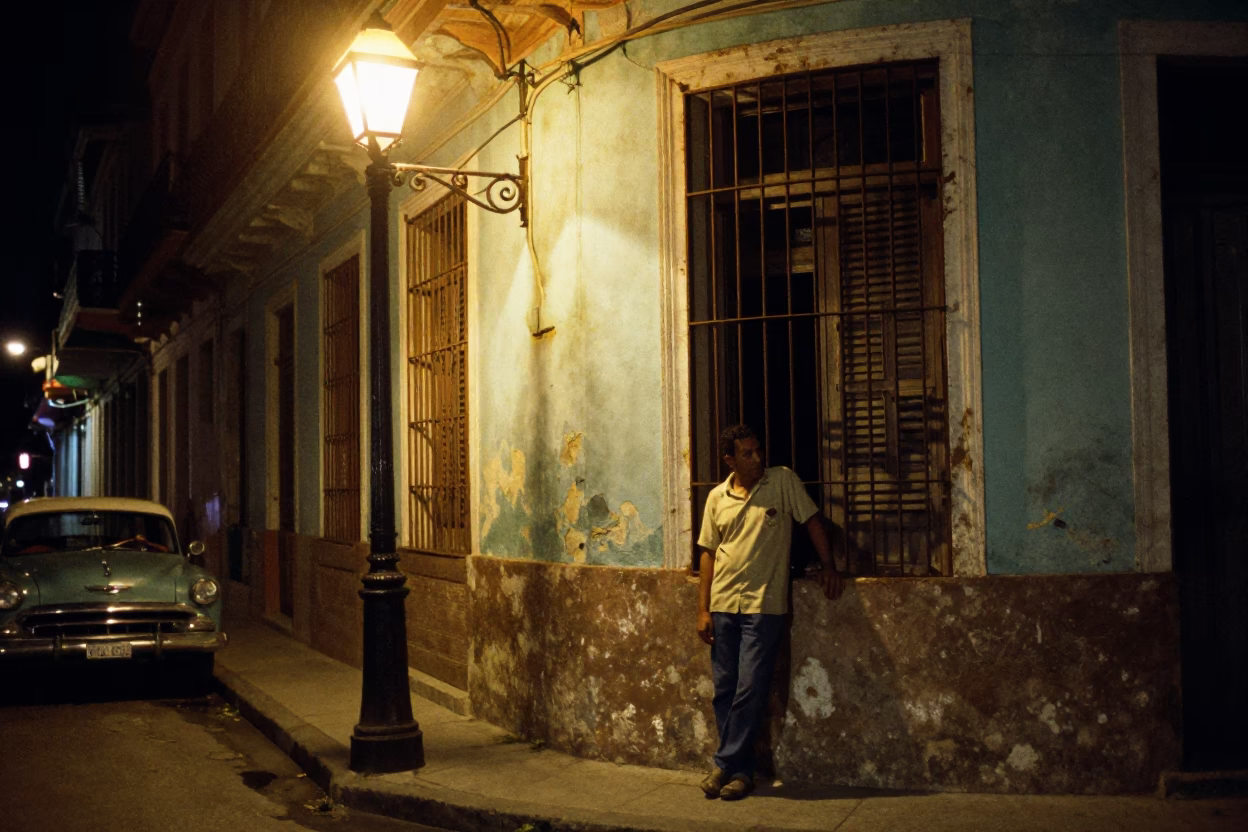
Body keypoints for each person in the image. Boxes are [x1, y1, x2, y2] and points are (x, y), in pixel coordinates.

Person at [696, 424, 843, 800]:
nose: (757, 458)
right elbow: (709, 554)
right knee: (725, 689)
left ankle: (723, 763)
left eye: (758, 450)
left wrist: (828, 565)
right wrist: (703, 609)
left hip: (764, 604)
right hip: (724, 603)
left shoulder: (782, 481)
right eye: (747, 453)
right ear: (729, 458)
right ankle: (741, 772)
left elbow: (811, 521)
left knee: (750, 687)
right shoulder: (716, 497)